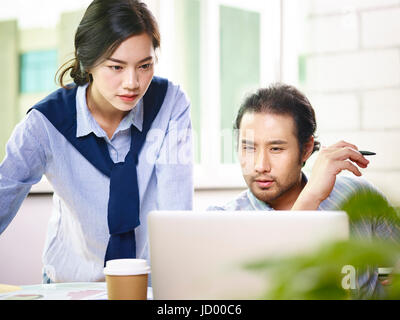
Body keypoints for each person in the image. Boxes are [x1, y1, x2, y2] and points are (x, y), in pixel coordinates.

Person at [0, 0, 193, 283]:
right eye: (116, 67)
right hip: (71, 284)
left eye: (144, 65)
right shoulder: (45, 123)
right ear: (87, 61)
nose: (133, 82)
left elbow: (176, 215)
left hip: (147, 285)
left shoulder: (170, 103)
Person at [208, 83, 400, 298]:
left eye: (276, 149)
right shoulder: (221, 222)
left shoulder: (359, 196)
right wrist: (310, 198)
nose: (260, 165)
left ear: (307, 149)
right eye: (249, 148)